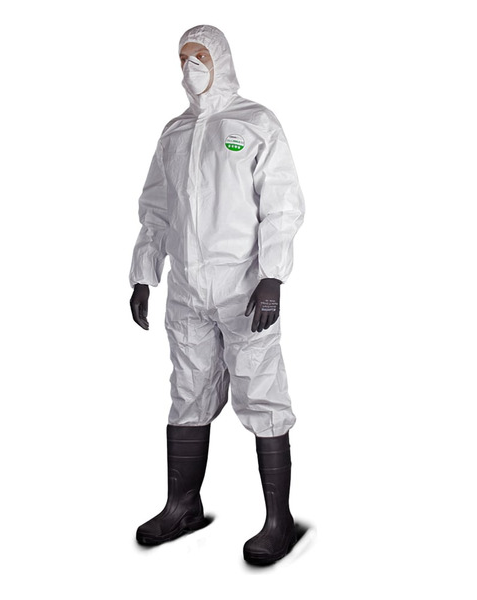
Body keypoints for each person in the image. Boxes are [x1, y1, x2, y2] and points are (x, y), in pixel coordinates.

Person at [129, 24, 305, 566]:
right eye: (183, 57)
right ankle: (182, 504)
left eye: (199, 56)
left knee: (261, 393)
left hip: (243, 289)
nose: (190, 67)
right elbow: (156, 208)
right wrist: (143, 273)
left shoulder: (254, 123)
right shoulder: (175, 132)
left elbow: (281, 204)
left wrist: (272, 275)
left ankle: (278, 521)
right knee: (187, 391)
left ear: (221, 60)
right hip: (187, 291)